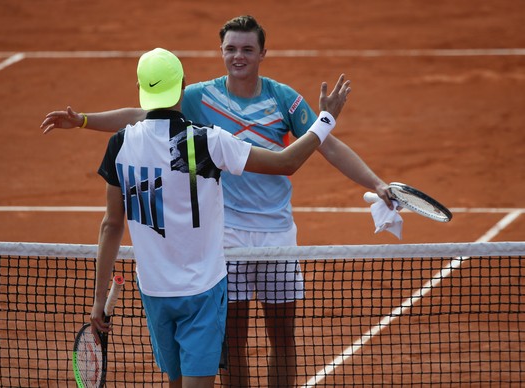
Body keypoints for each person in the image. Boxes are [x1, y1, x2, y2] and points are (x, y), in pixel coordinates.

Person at [42, 16, 391, 387]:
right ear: (220, 52)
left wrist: (376, 182)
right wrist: (83, 120)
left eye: (247, 49)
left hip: (276, 235)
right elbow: (141, 116)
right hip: (226, 240)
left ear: (262, 53)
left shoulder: (283, 98)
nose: (238, 56)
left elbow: (329, 147)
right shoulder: (198, 99)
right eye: (230, 49)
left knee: (283, 339)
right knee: (232, 343)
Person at [88, 47, 349, 388]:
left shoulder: (119, 144)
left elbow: (111, 226)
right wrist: (325, 120)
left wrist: (97, 299)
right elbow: (285, 163)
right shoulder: (206, 141)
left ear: (141, 88)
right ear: (183, 85)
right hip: (202, 291)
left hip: (154, 289)